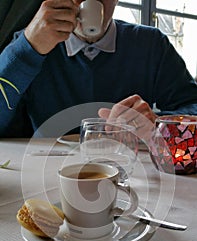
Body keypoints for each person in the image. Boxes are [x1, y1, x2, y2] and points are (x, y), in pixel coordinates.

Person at [0, 0, 197, 138]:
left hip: (127, 168)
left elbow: (192, 106)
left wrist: (158, 126)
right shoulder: (32, 44)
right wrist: (27, 48)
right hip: (43, 170)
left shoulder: (150, 44)